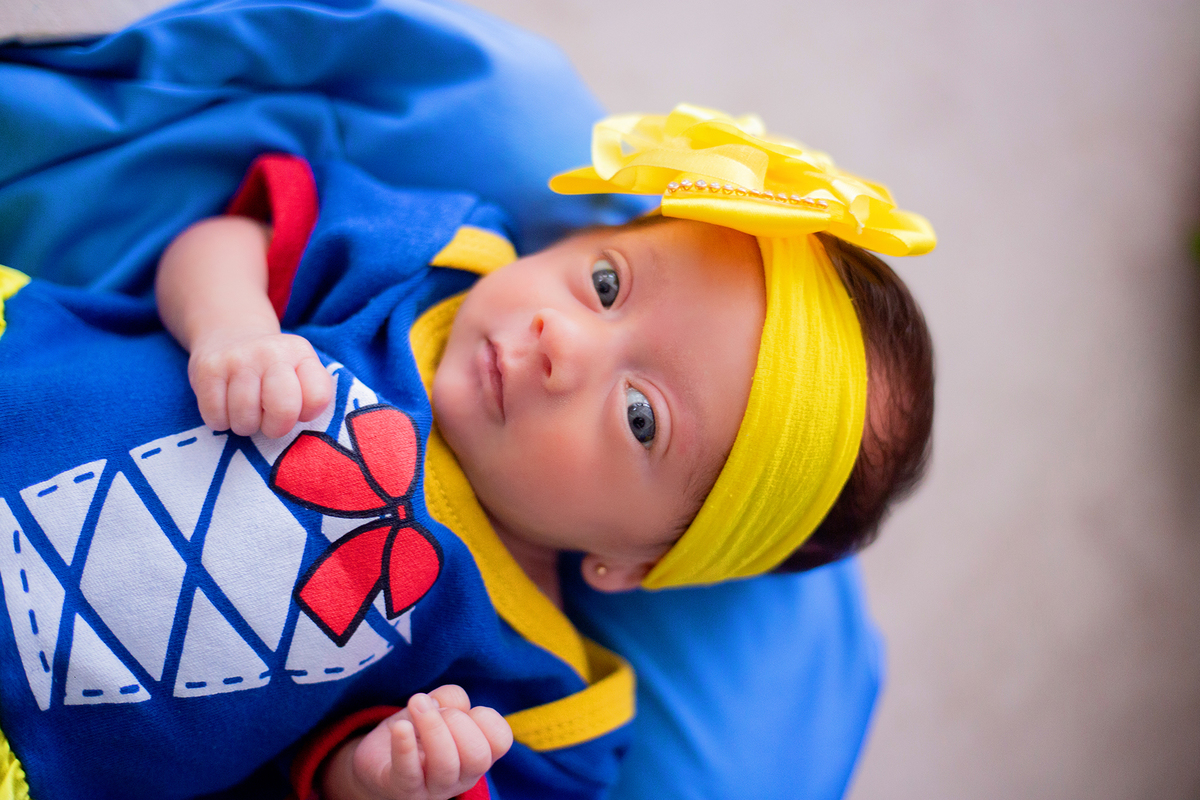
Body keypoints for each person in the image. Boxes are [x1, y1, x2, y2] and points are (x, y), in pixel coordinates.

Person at [0, 106, 934, 800]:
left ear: (638, 563)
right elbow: (226, 236)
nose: (562, 341)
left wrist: (377, 779)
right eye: (605, 285)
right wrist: (234, 328)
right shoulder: (431, 261)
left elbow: (304, 780)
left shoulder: (536, 697)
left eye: (641, 416)